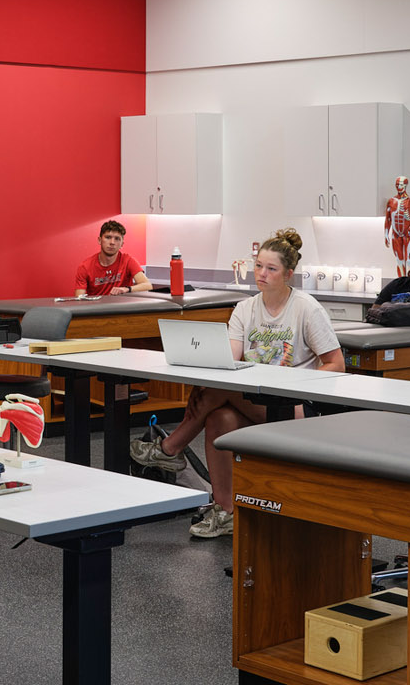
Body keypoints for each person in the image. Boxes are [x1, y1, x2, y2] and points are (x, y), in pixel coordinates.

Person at [132, 227, 344, 540]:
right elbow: (229, 359)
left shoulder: (306, 308)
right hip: (254, 399)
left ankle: (170, 447)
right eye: (258, 265)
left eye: (271, 269)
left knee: (225, 388)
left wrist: (299, 382)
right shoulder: (245, 308)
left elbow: (336, 363)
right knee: (220, 415)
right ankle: (226, 510)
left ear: (288, 274)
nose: (262, 273)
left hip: (296, 407)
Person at [75, 219, 151, 296]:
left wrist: (126, 289)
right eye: (108, 237)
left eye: (117, 239)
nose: (112, 242)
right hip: (97, 307)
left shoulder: (128, 261)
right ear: (99, 240)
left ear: (122, 244)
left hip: (121, 306)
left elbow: (147, 285)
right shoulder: (85, 267)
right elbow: (80, 298)